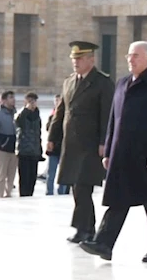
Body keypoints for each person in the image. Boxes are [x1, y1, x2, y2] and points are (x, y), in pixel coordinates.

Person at [80, 41, 147, 263]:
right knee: (118, 199)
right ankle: (104, 244)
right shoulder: (122, 83)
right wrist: (108, 149)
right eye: (129, 55)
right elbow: (113, 120)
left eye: (136, 55)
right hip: (122, 154)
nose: (131, 59)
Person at [48, 41, 115, 243]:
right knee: (77, 188)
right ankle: (85, 228)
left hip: (90, 144)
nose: (75, 62)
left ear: (91, 59)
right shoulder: (69, 82)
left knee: (83, 187)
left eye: (79, 58)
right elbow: (61, 112)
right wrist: (52, 137)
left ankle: (84, 229)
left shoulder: (102, 82)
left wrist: (105, 141)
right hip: (72, 145)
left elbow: (108, 116)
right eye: (73, 59)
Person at [15, 92, 42, 197]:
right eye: (30, 101)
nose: (32, 104)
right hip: (24, 150)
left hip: (34, 151)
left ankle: (30, 195)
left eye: (34, 101)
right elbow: (18, 122)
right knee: (24, 178)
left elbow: (38, 133)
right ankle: (23, 196)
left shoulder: (37, 115)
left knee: (32, 178)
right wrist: (26, 109)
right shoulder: (21, 114)